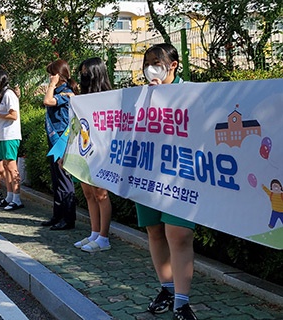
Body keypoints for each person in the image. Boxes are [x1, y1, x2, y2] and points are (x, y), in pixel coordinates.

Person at [138, 43, 197, 320]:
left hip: (181, 174)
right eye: (147, 62)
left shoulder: (191, 93)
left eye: (156, 62)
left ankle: (182, 303)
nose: (151, 67)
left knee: (180, 233)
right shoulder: (139, 95)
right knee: (154, 231)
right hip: (147, 173)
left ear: (173, 65)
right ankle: (167, 288)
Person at [70, 57, 114, 251]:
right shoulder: (82, 98)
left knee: (101, 194)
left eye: (86, 72)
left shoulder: (109, 97)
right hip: (83, 151)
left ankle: (104, 237)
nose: (83, 75)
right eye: (82, 72)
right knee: (89, 193)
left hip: (102, 153)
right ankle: (94, 232)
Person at [40, 59, 79, 229]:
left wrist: (51, 85)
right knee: (56, 179)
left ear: (59, 75)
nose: (49, 77)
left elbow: (47, 101)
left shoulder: (66, 92)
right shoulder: (59, 91)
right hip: (54, 140)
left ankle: (68, 218)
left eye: (51, 74)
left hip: (62, 141)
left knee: (64, 179)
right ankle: (57, 215)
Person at [0, 70, 23, 211]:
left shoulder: (9, 94)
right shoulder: (2, 95)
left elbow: (13, 115)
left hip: (11, 135)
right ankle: (9, 196)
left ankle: (17, 198)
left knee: (12, 167)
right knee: (7, 167)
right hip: (2, 135)